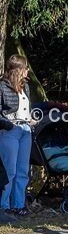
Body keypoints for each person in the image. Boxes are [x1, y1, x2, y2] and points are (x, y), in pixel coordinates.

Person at [0, 55, 35, 218]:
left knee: (22, 170)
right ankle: (4, 205)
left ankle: (18, 204)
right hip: (9, 131)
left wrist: (30, 120)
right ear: (18, 70)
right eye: (25, 68)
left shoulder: (25, 87)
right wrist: (9, 125)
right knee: (10, 170)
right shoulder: (2, 87)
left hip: (25, 130)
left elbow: (24, 110)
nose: (27, 71)